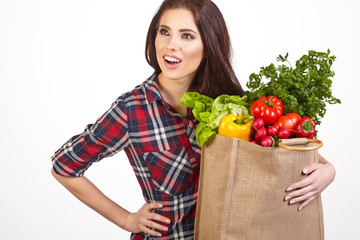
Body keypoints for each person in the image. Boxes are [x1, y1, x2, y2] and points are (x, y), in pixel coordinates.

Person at [51, 0, 336, 239]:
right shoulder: (131, 110)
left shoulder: (232, 105)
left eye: (186, 35)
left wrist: (328, 170)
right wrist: (126, 219)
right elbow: (64, 166)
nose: (170, 45)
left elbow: (278, 150)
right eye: (164, 32)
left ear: (208, 44)